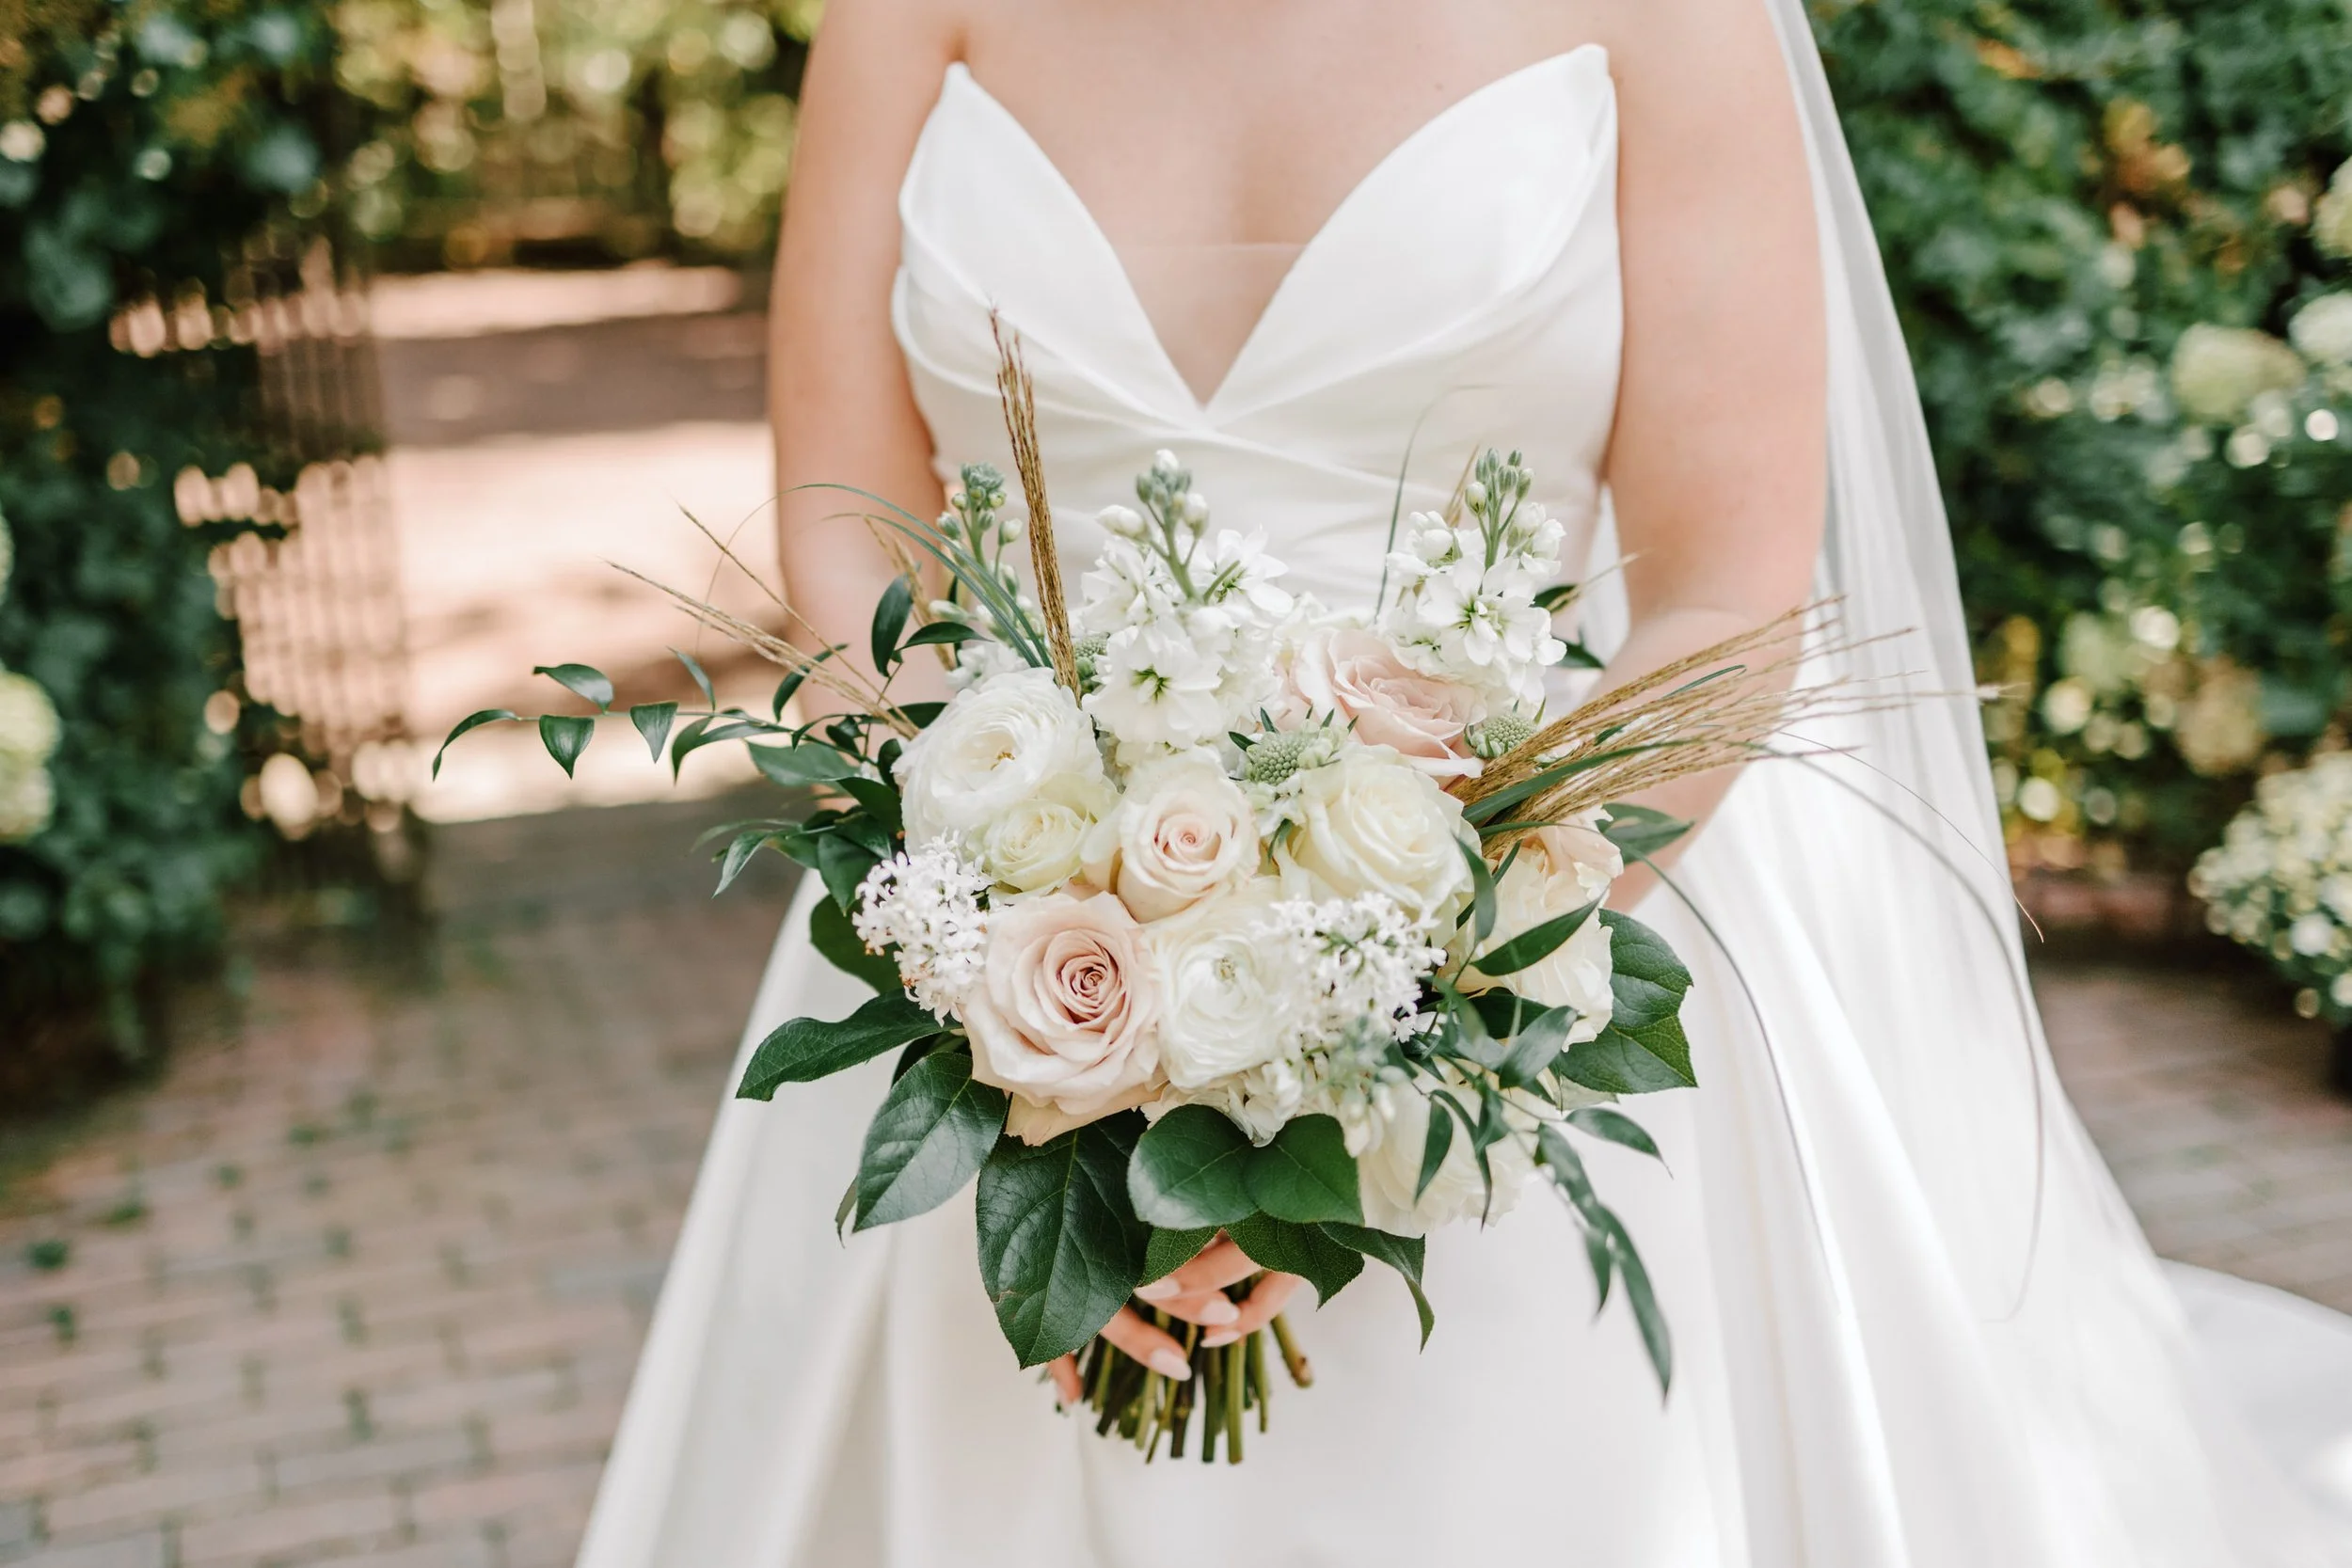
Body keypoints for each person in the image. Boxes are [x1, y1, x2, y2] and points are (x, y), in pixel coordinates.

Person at [577, 2, 2352, 1563]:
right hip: (1005, 931)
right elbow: (841, 525)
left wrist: (1407, 1013)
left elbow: (1729, 588)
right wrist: (1020, 978)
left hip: (1552, 916)